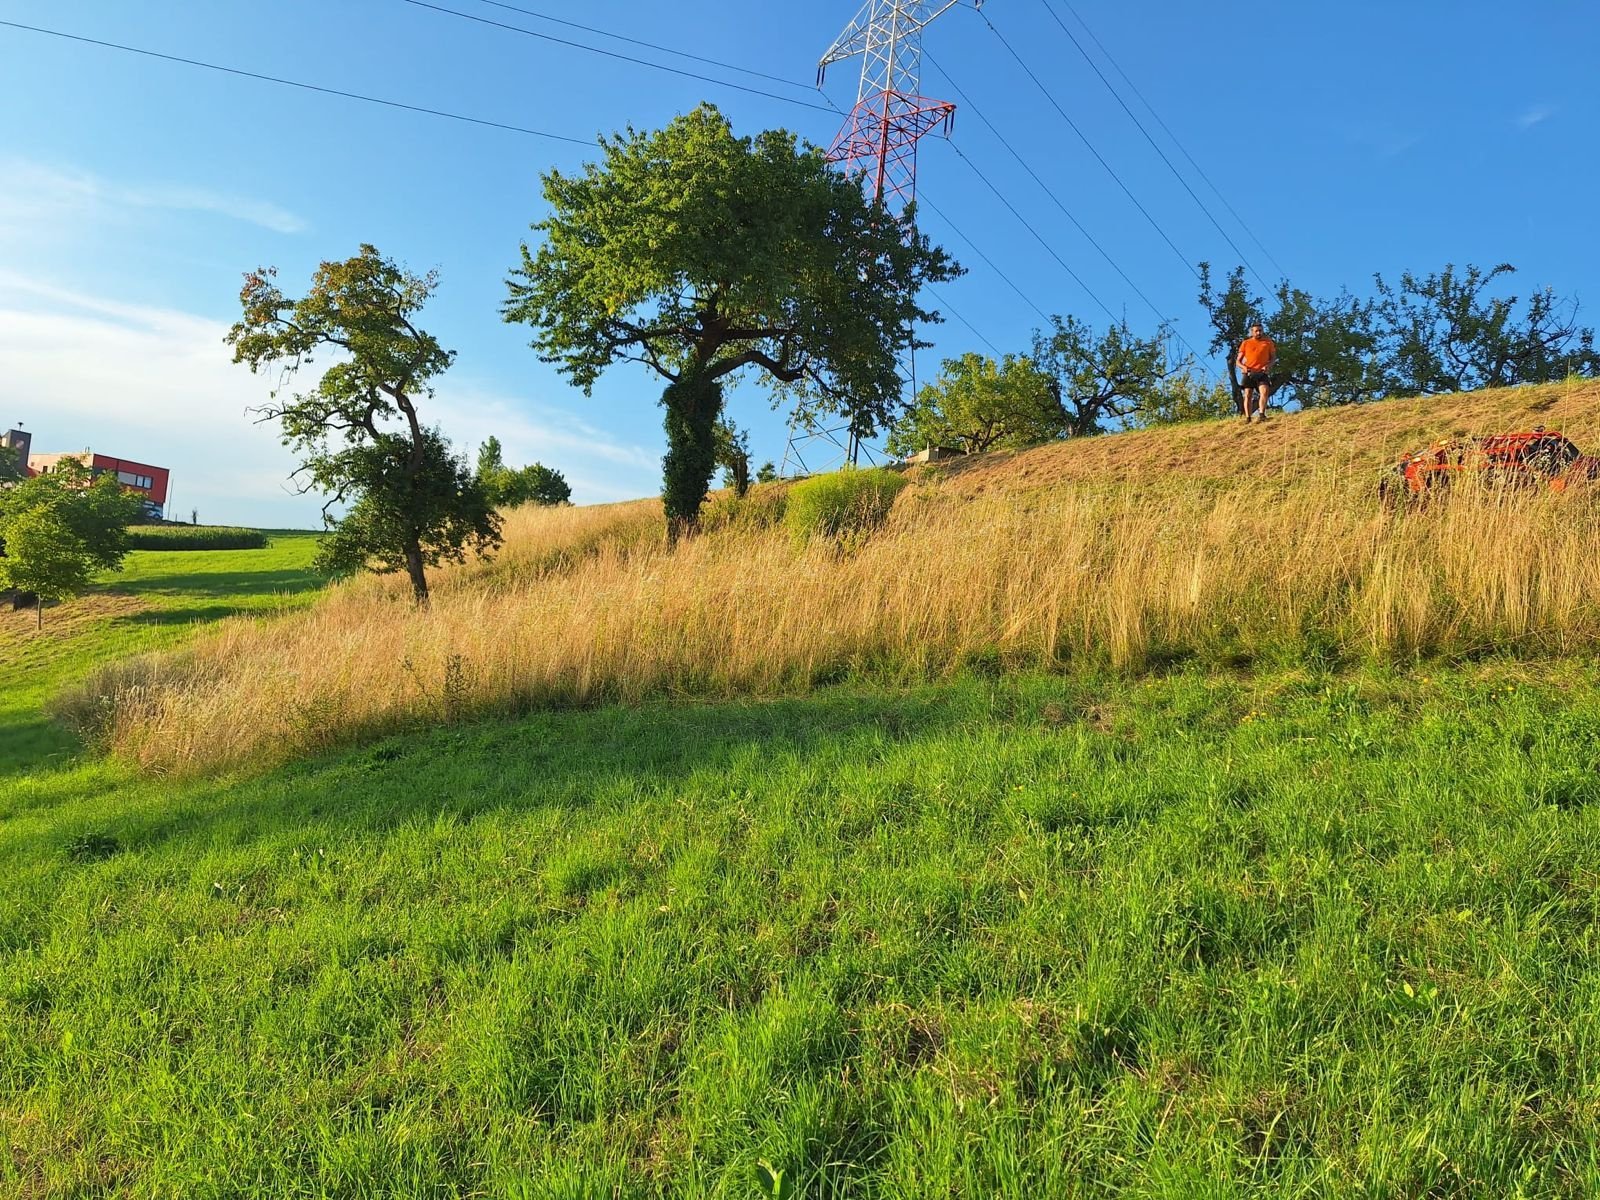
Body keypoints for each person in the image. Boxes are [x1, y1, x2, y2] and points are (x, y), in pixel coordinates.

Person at [1236, 322, 1277, 423]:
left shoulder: (1268, 342)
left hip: (1262, 372)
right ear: (1252, 332)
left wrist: (1268, 366)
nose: (1259, 333)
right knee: (1248, 394)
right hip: (1249, 372)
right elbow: (1238, 361)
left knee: (1264, 391)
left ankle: (1262, 414)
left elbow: (1273, 358)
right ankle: (1248, 417)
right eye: (1256, 331)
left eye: (1260, 330)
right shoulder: (1246, 343)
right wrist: (1243, 367)